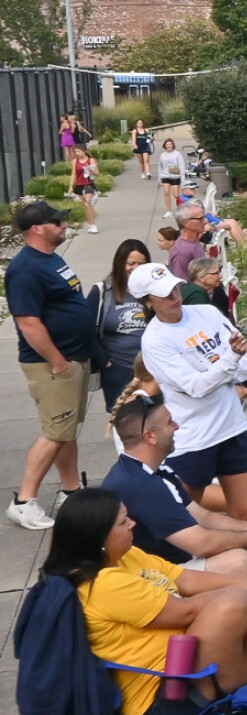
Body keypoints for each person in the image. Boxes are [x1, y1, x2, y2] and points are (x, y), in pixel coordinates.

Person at [43, 488, 247, 715]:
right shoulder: (103, 584)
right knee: (231, 605)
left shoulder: (127, 556)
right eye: (123, 522)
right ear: (99, 538)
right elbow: (184, 611)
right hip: (166, 692)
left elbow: (185, 578)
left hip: (193, 666)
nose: (133, 525)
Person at [104, 396, 247, 577]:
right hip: (150, 574)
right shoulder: (143, 486)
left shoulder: (150, 471)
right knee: (236, 561)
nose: (176, 427)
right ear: (150, 436)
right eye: (170, 422)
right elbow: (201, 544)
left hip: (170, 561)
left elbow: (204, 517)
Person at [132, 263, 247, 523]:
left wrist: (227, 366)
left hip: (232, 427)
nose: (175, 297)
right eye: (164, 294)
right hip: (194, 439)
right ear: (147, 301)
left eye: (175, 288)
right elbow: (196, 387)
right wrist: (229, 360)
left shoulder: (206, 313)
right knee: (183, 519)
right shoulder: (155, 341)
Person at [5, 202, 95, 530]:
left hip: (71, 359)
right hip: (52, 365)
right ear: (37, 229)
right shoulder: (25, 269)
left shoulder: (50, 259)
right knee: (55, 431)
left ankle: (71, 491)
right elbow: (28, 322)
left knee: (66, 430)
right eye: (56, 221)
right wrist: (58, 362)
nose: (63, 224)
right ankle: (24, 501)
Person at [91, 239, 153, 415]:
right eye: (131, 263)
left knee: (154, 419)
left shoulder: (155, 290)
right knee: (123, 420)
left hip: (152, 368)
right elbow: (86, 330)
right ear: (120, 263)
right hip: (117, 369)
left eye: (141, 264)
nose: (136, 268)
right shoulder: (103, 291)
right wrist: (104, 361)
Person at [166, 202, 208, 280]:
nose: (205, 221)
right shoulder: (181, 253)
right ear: (186, 223)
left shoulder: (194, 241)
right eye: (200, 219)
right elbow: (181, 287)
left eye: (204, 217)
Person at [185, 256, 233, 321]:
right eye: (216, 273)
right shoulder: (196, 297)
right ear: (201, 278)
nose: (220, 276)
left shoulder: (217, 290)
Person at [68, 144, 100, 234]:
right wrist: (71, 186)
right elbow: (73, 174)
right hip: (79, 185)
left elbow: (97, 173)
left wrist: (90, 170)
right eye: (76, 152)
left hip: (89, 184)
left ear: (84, 151)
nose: (77, 153)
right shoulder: (75, 161)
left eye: (78, 151)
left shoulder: (91, 160)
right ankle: (90, 224)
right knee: (86, 206)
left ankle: (94, 225)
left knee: (87, 204)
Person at [157, 138, 186, 218]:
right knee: (166, 193)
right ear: (165, 146)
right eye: (167, 144)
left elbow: (181, 166)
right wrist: (159, 178)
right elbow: (160, 166)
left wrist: (183, 178)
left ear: (173, 145)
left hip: (175, 176)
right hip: (165, 176)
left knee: (176, 195)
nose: (169, 146)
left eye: (170, 144)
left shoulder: (177, 154)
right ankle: (168, 211)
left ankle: (182, 209)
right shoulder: (163, 155)